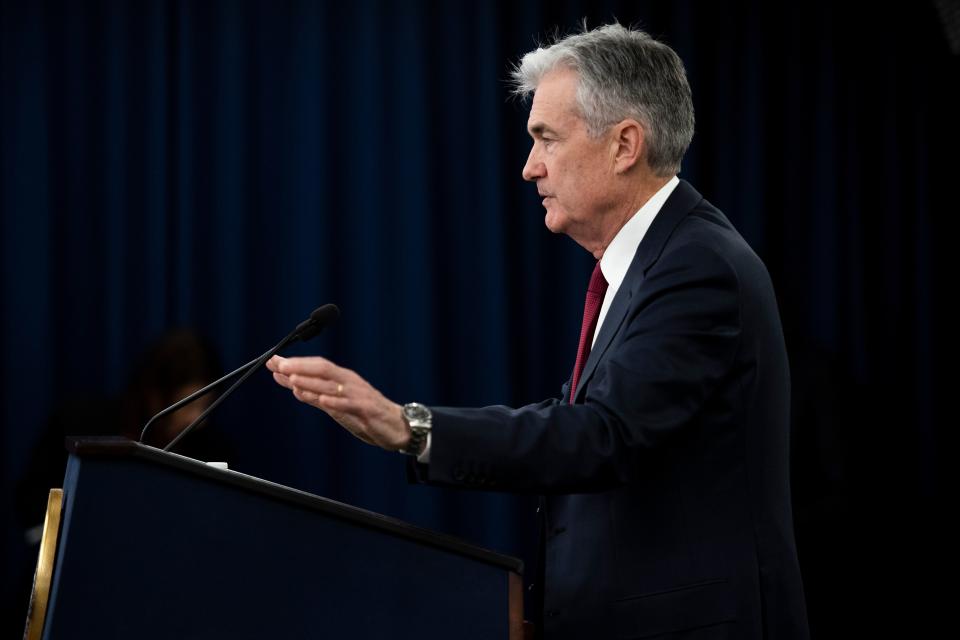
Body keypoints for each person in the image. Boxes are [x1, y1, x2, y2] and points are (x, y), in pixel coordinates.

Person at [267, 22, 810, 640]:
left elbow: (605, 436)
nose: (529, 168)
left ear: (624, 144)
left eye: (546, 138)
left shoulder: (697, 265)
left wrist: (411, 427)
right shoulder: (652, 262)